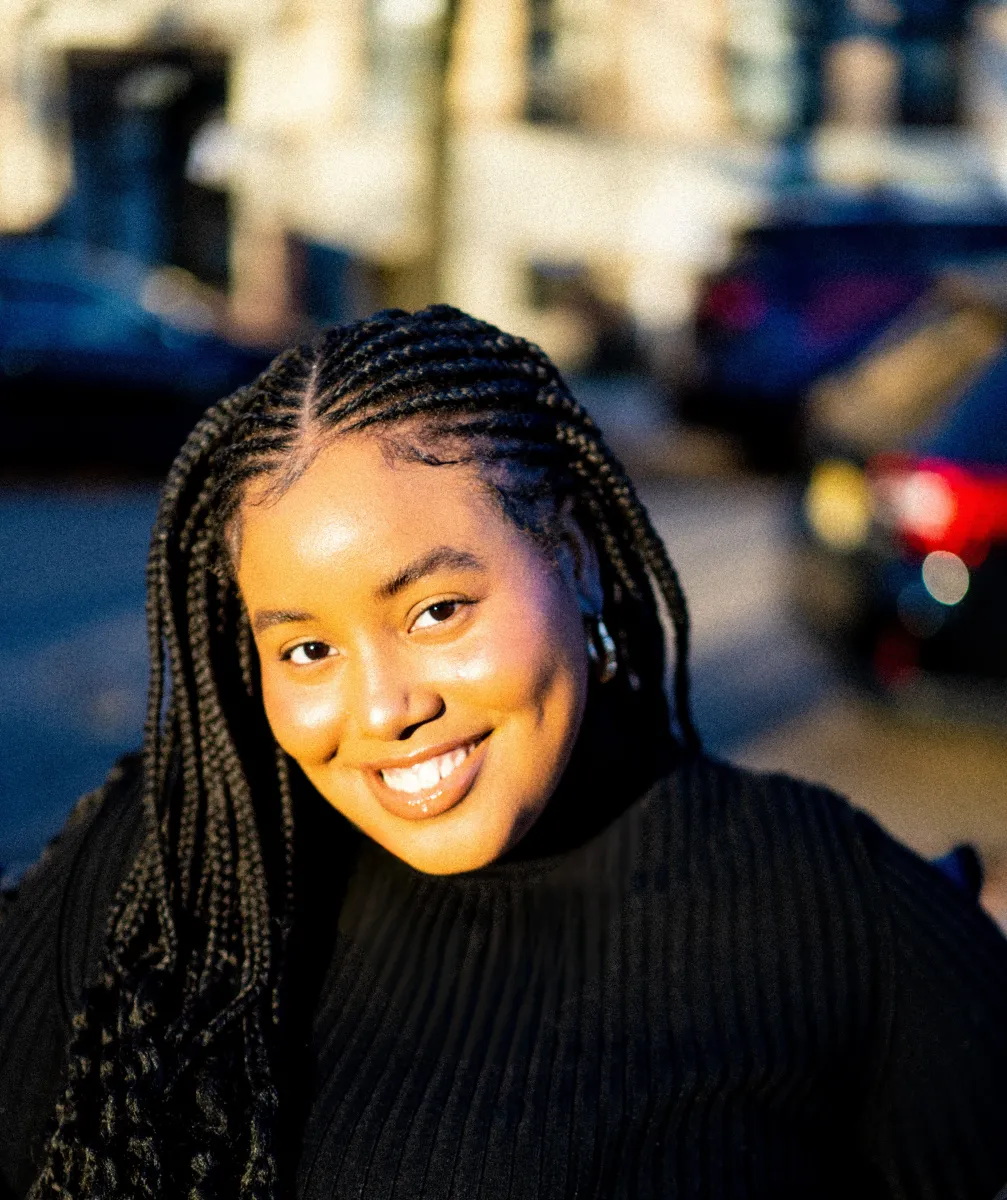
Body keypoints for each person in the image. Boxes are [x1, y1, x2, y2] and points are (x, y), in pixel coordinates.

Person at [1, 305, 1006, 1200]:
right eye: (305, 648)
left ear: (567, 555)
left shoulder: (834, 915)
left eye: (437, 610)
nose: (385, 706)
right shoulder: (163, 879)